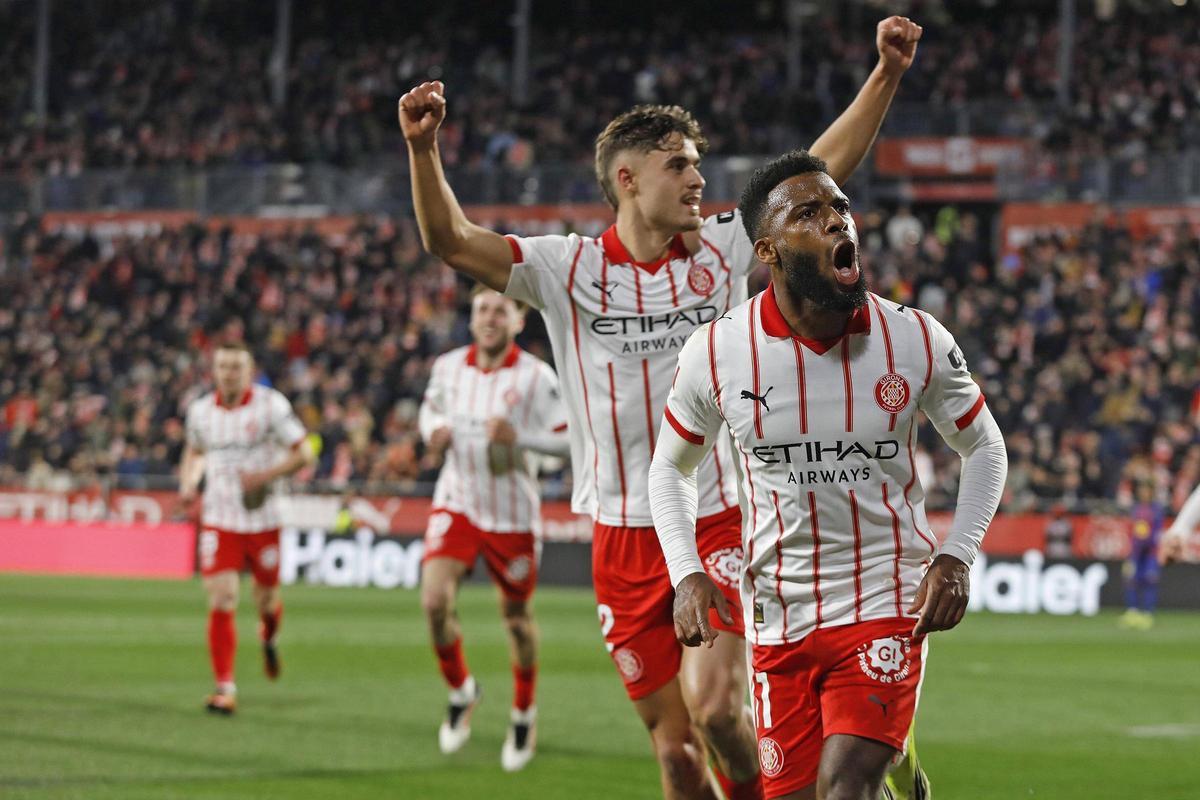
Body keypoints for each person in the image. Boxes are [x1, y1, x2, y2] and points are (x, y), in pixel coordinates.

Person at [401, 17, 923, 799]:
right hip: (617, 537)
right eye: (678, 164)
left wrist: (886, 72)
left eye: (698, 163)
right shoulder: (562, 268)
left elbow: (819, 168)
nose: (697, 179)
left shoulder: (721, 247)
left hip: (716, 515)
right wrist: (422, 148)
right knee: (677, 756)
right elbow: (451, 239)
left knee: (717, 709)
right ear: (627, 179)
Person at [647, 150, 1007, 800]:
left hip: (885, 599)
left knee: (845, 788)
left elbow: (984, 446)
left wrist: (956, 555)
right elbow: (670, 468)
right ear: (769, 249)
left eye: (839, 207)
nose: (838, 223)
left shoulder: (915, 339)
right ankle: (904, 774)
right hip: (778, 616)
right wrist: (687, 571)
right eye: (809, 213)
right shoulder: (718, 351)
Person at [418, 286, 569, 772]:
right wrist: (431, 434)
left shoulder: (536, 378)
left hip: (511, 515)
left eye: (500, 310)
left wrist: (519, 439)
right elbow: (430, 411)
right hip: (457, 499)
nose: (488, 317)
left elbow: (568, 446)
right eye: (481, 308)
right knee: (434, 601)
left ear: (518, 321)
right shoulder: (447, 368)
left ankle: (524, 711)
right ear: (471, 316)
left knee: (516, 618)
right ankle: (462, 690)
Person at [179, 341, 316, 715]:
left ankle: (269, 635)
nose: (229, 374)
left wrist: (265, 476)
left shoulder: (271, 406)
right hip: (219, 519)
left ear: (249, 369)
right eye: (223, 367)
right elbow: (194, 451)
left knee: (266, 601)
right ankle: (225, 687)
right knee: (221, 597)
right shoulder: (201, 412)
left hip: (263, 519)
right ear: (214, 370)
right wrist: (189, 484)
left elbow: (305, 453)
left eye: (236, 367)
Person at [1119, 481, 1166, 630]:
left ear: (1151, 492)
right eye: (1141, 490)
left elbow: (1156, 533)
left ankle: (1147, 614)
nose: (1143, 493)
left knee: (1149, 581)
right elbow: (1132, 530)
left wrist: (1148, 543)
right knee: (1131, 580)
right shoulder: (1136, 509)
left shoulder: (1156, 510)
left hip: (1150, 553)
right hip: (1136, 553)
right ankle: (1132, 612)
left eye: (1146, 490)